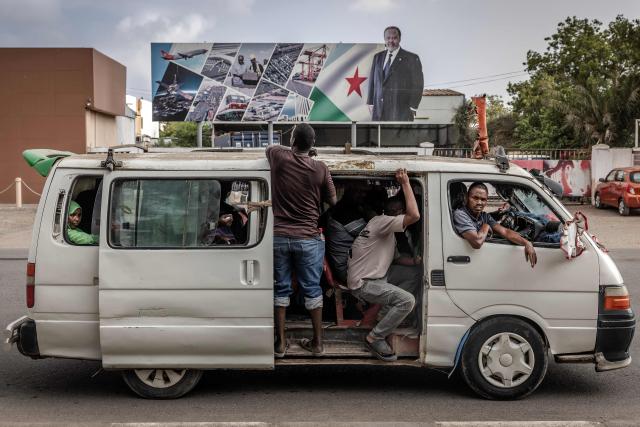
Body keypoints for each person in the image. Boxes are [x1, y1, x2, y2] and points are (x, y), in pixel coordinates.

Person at [266, 123, 337, 357]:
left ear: (292, 139)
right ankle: (317, 344)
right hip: (308, 238)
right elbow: (333, 201)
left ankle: (280, 344)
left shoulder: (279, 158)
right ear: (313, 144)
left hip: (279, 236)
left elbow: (272, 148)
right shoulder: (320, 168)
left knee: (281, 289)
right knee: (312, 289)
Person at [347, 169, 420, 362]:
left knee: (413, 275)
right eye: (397, 213)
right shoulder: (382, 222)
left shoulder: (387, 232)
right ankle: (375, 336)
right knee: (407, 301)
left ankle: (387, 314)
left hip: (380, 275)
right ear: (392, 214)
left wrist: (416, 262)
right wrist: (404, 183)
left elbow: (396, 259)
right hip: (365, 283)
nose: (399, 216)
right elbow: (414, 215)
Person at [453, 182, 537, 267]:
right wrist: (486, 226)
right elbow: (477, 242)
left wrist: (527, 243)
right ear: (467, 198)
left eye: (483, 199)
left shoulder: (484, 216)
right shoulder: (460, 214)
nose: (479, 202)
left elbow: (505, 231)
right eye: (475, 198)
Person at [367, 26, 424, 122]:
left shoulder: (412, 58)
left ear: (399, 39)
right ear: (384, 39)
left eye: (394, 38)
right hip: (379, 111)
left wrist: (413, 107)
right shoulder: (377, 57)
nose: (391, 41)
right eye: (388, 38)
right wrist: (370, 102)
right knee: (378, 137)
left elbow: (418, 84)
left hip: (401, 112)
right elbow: (372, 81)